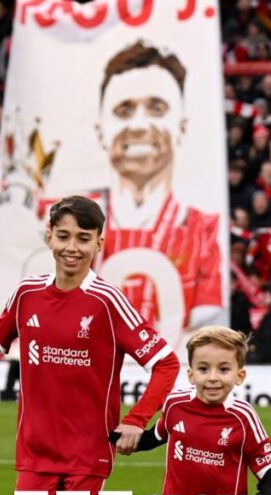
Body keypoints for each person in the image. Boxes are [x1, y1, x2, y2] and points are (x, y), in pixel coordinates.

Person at [0, 196, 180, 495]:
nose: (71, 247)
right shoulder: (27, 294)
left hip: (86, 453)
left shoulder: (108, 301)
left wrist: (136, 419)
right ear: (49, 237)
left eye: (83, 238)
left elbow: (166, 363)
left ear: (99, 243)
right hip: (36, 449)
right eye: (63, 236)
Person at [116, 326, 271, 495]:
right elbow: (156, 436)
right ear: (191, 374)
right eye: (204, 369)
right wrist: (117, 439)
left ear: (240, 375)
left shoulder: (243, 416)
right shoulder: (175, 404)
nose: (213, 377)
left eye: (223, 369)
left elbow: (268, 464)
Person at [95, 40, 223, 343]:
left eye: (157, 108)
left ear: (182, 126)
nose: (139, 124)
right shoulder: (70, 223)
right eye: (123, 110)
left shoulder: (204, 233)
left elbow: (204, 330)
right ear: (99, 129)